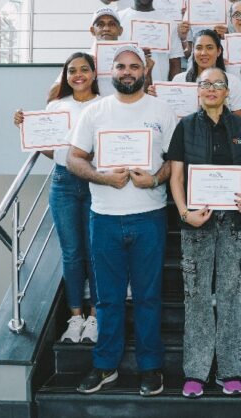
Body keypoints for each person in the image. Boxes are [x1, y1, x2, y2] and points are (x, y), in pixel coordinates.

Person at [67, 45, 177, 396]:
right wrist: (103, 177)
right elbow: (74, 159)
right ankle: (105, 366)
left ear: (145, 71)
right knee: (108, 299)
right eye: (120, 66)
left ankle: (150, 367)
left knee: (148, 297)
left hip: (149, 216)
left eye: (134, 66)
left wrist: (155, 179)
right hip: (105, 218)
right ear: (110, 72)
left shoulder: (162, 110)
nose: (127, 72)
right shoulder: (96, 112)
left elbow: (175, 161)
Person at [169, 66, 241, 398]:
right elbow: (176, 177)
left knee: (232, 297)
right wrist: (184, 212)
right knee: (197, 297)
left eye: (219, 84)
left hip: (234, 224)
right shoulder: (185, 126)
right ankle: (196, 372)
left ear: (227, 91)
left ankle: (230, 370)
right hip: (197, 224)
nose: (212, 89)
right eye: (206, 84)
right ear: (198, 90)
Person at [14, 52, 101, 344]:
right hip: (63, 182)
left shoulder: (104, 105)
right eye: (72, 71)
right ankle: (75, 318)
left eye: (84, 69)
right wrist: (27, 127)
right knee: (71, 253)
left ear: (93, 73)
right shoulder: (56, 105)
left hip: (94, 182)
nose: (78, 75)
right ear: (65, 76)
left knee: (94, 251)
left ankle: (95, 318)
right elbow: (50, 149)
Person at [167, 29, 241, 122]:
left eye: (209, 47)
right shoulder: (179, 80)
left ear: (219, 51)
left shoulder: (232, 81)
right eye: (199, 48)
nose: (203, 53)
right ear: (193, 52)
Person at [117, 0, 183, 84]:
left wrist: (171, 90)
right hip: (125, 89)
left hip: (157, 89)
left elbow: (175, 61)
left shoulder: (169, 23)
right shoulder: (118, 19)